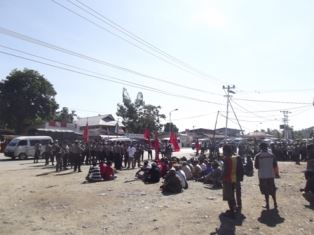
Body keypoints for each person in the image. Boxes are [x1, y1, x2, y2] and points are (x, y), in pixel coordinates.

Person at [222, 144, 244, 217]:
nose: (223, 152)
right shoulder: (238, 157)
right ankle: (239, 207)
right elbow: (241, 168)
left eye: (223, 151)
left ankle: (232, 210)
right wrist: (241, 177)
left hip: (228, 179)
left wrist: (221, 177)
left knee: (230, 196)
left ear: (226, 151)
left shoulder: (226, 159)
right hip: (237, 178)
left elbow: (226, 170)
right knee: (238, 194)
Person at [255, 142, 278, 210]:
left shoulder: (258, 156)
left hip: (262, 175)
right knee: (272, 189)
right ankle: (275, 202)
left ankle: (267, 204)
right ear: (267, 147)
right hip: (271, 174)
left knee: (265, 191)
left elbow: (256, 166)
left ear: (260, 148)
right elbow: (275, 165)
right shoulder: (272, 155)